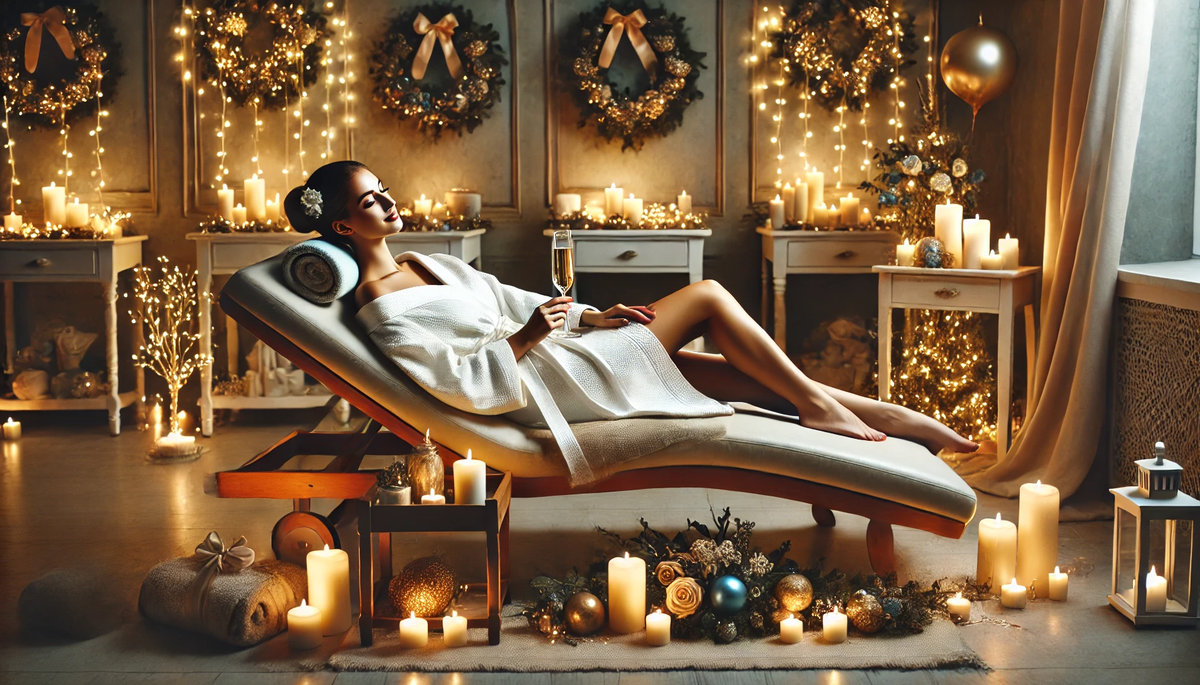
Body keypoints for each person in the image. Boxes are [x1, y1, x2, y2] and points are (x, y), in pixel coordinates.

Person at [284, 162, 976, 481]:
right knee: (705, 294)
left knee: (733, 379)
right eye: (370, 200)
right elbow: (458, 385)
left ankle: (897, 422)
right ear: (343, 223)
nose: (388, 200)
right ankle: (826, 406)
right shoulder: (381, 314)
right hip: (542, 388)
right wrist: (530, 339)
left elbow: (507, 295)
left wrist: (590, 315)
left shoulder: (420, 261)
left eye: (384, 189)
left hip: (561, 353)